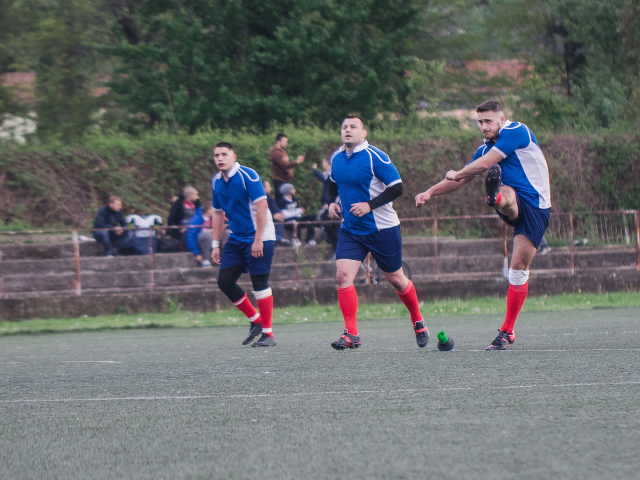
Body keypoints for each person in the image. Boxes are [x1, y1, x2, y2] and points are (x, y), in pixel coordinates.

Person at [415, 99, 551, 351]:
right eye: (480, 122)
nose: (484, 126)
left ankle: (507, 332)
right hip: (513, 201)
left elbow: (481, 166)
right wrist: (430, 192)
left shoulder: (516, 131)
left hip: (536, 205)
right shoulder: (484, 150)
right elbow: (461, 179)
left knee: (518, 271)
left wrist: (458, 172)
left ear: (502, 119)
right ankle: (495, 197)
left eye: (488, 121)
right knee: (507, 196)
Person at [327, 116, 429, 350]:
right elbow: (333, 182)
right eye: (344, 127)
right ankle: (351, 334)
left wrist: (369, 205)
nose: (348, 130)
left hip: (382, 230)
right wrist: (332, 202)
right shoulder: (336, 158)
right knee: (342, 276)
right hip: (351, 230)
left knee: (397, 280)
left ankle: (418, 321)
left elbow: (397, 187)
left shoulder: (376, 157)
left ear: (364, 133)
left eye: (353, 127)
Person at [210, 142, 278, 347]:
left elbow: (262, 206)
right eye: (216, 155)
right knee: (225, 282)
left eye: (224, 154)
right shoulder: (216, 181)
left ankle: (268, 334)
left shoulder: (248, 176)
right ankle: (255, 321)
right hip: (237, 239)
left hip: (260, 238)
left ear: (233, 156)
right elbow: (218, 213)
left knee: (260, 285)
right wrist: (215, 244)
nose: (220, 158)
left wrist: (258, 240)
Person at [270, 133, 305, 203]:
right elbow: (284, 165)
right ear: (278, 141)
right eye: (284, 141)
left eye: (286, 141)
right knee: (281, 202)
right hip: (280, 181)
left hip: (285, 180)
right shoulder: (276, 153)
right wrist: (296, 162)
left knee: (288, 201)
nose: (286, 143)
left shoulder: (282, 152)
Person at [313, 158, 339, 252]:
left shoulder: (331, 174)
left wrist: (314, 169)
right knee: (324, 221)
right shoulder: (328, 174)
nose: (322, 164)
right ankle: (331, 243)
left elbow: (322, 177)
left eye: (323, 162)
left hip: (332, 205)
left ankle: (337, 248)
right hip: (328, 203)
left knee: (330, 223)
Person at [186, 202, 215, 267]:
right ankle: (206, 261)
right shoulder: (196, 219)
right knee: (207, 234)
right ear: (209, 211)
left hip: (212, 241)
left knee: (227, 233)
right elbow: (191, 237)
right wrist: (197, 253)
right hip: (200, 242)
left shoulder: (214, 218)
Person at [263, 180, 289, 246]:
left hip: (272, 220)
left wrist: (278, 215)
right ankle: (279, 240)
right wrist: (273, 216)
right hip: (262, 221)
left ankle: (278, 240)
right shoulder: (257, 199)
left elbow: (277, 210)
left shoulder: (270, 199)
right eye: (269, 187)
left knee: (279, 219)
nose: (271, 188)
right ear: (263, 188)